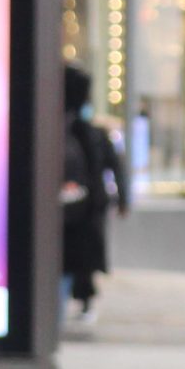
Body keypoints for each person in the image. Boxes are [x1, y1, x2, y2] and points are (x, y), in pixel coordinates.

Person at [61, 67, 124, 328]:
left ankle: (80, 299)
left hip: (84, 207)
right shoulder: (84, 133)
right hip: (83, 206)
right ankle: (78, 299)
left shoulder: (84, 133)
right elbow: (116, 167)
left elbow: (114, 167)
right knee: (77, 257)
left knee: (78, 257)